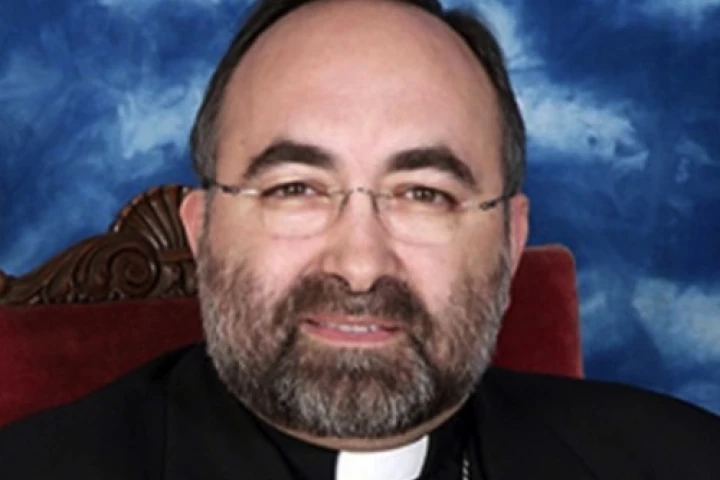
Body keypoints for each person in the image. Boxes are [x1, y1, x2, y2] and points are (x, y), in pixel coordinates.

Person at [1, 0, 719, 478]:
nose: (359, 264)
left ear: (509, 241)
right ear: (201, 231)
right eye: (295, 188)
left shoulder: (684, 459)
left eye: (424, 194)